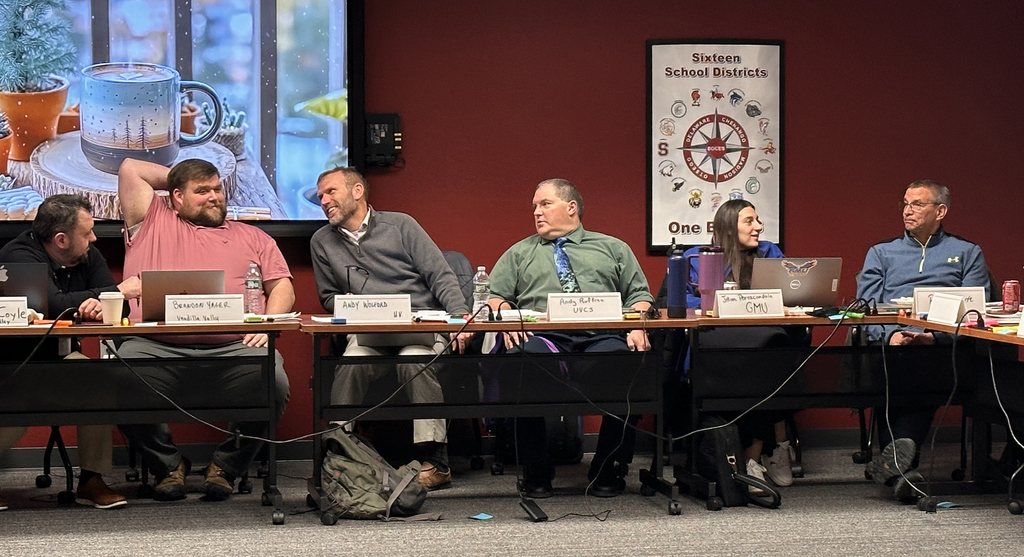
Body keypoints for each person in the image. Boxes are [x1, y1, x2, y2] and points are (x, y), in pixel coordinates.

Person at [114, 158, 293, 501]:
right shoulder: (150, 220)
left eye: (217, 188)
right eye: (201, 190)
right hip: (155, 346)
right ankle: (168, 466)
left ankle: (226, 467)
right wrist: (184, 176)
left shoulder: (253, 236)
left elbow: (282, 286)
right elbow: (129, 169)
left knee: (274, 379)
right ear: (176, 197)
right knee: (120, 376)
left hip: (234, 346)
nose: (214, 196)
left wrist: (267, 325)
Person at [486, 178, 654, 499]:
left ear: (571, 207)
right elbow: (494, 296)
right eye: (535, 206)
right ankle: (536, 469)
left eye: (544, 204)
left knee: (628, 362)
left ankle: (608, 466)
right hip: (545, 338)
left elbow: (641, 297)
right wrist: (506, 315)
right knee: (522, 360)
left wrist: (637, 324)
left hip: (600, 336)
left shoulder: (613, 248)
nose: (536, 212)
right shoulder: (520, 253)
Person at [309, 167, 468, 490]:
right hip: (369, 331)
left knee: (414, 358)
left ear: (357, 192)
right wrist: (344, 301)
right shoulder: (321, 241)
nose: (323, 201)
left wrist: (459, 317)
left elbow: (440, 274)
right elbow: (327, 297)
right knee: (353, 361)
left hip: (419, 326)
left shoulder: (401, 225)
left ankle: (435, 460)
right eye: (321, 196)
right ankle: (341, 452)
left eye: (331, 192)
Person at [0, 194, 138, 511]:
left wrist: (106, 300)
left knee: (98, 382)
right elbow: (49, 306)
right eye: (87, 232)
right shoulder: (18, 256)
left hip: (59, 360)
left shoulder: (87, 254)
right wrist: (107, 295)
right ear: (61, 239)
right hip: (12, 365)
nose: (93, 238)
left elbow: (120, 306)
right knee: (12, 407)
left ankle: (91, 480)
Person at [857, 179, 988, 501]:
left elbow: (974, 309)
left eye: (917, 204)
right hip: (894, 345)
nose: (907, 211)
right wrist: (892, 335)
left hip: (943, 349)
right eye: (905, 203)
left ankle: (896, 464)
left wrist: (934, 337)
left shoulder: (967, 252)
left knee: (925, 364)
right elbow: (865, 307)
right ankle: (902, 466)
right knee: (898, 361)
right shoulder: (881, 252)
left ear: (940, 211)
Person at [682, 199, 797, 495]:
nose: (758, 227)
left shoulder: (769, 252)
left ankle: (755, 457)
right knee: (757, 364)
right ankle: (769, 449)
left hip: (763, 339)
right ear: (729, 228)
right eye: (749, 221)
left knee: (772, 354)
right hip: (715, 339)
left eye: (758, 220)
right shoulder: (698, 257)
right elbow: (686, 304)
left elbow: (789, 292)